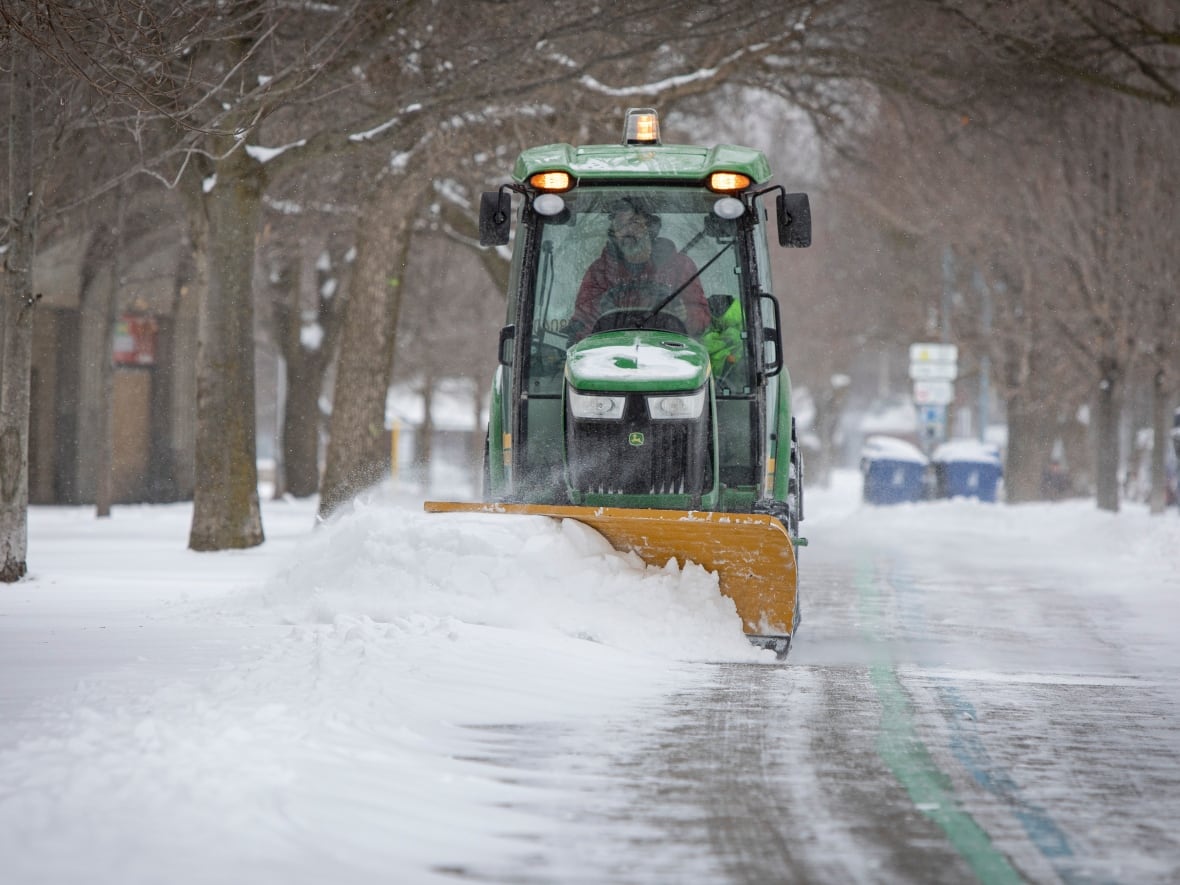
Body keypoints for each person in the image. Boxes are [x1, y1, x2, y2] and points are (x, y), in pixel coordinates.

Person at [570, 198, 711, 339]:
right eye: (620, 225)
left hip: (670, 351)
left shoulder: (679, 266)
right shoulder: (600, 271)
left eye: (634, 223)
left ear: (649, 228)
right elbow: (584, 320)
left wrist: (687, 315)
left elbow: (702, 317)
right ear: (614, 232)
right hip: (612, 352)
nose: (627, 231)